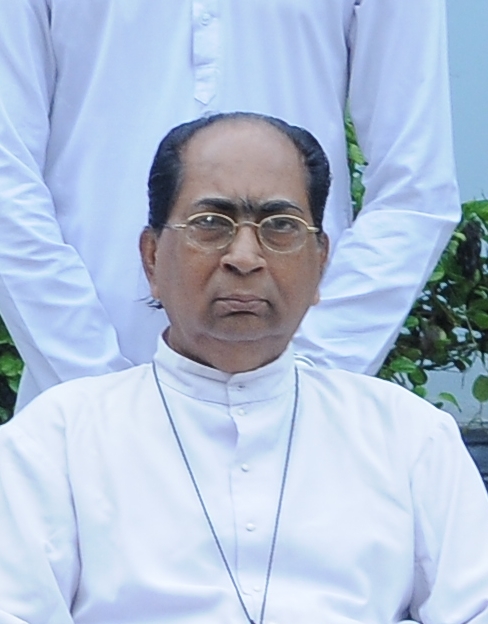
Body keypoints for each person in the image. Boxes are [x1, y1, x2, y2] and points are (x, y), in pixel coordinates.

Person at [0, 114, 486, 623]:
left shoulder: (409, 437)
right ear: (152, 258)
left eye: (280, 226)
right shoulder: (56, 440)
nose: (245, 257)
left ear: (320, 262)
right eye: (211, 223)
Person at [0, 0, 460, 411]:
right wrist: (96, 388)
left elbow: (414, 189)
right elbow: (8, 179)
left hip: (305, 412)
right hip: (77, 408)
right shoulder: (81, 411)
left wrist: (303, 380)